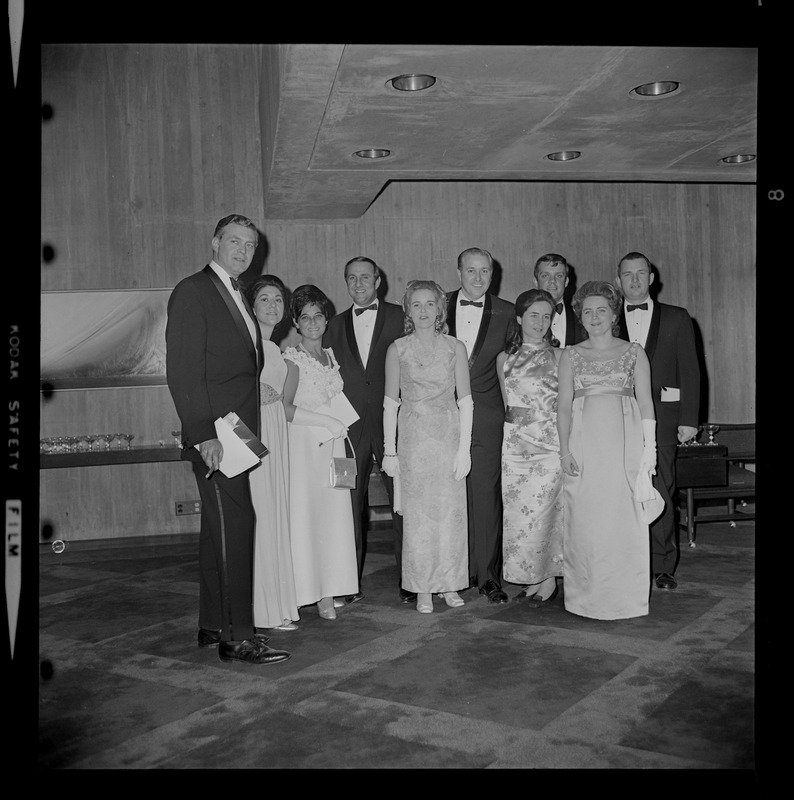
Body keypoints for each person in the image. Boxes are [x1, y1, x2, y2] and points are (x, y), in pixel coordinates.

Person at [165, 214, 290, 665]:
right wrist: (203, 435)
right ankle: (237, 638)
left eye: (249, 245)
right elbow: (182, 370)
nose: (242, 250)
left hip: (235, 433)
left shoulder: (237, 293)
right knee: (237, 526)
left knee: (217, 531)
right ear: (215, 241)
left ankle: (212, 623)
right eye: (233, 241)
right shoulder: (193, 291)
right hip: (216, 437)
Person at [557, 281, 657, 620]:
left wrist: (650, 450)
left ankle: (625, 598)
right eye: (587, 311)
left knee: (623, 518)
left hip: (624, 446)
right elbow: (564, 408)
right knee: (586, 519)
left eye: (601, 310)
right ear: (580, 317)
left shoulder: (634, 352)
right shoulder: (570, 354)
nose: (594, 316)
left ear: (614, 314)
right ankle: (587, 598)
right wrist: (564, 451)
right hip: (584, 447)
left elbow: (645, 403)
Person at [323, 257, 412, 606]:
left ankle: (411, 578)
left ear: (378, 279)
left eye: (365, 277)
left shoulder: (400, 316)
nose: (358, 284)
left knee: (404, 502)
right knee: (345, 504)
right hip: (346, 431)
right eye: (351, 278)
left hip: (396, 426)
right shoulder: (332, 324)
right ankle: (345, 583)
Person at [382, 280, 473, 613]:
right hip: (413, 437)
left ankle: (449, 583)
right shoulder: (397, 349)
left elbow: (466, 399)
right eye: (416, 305)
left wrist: (464, 449)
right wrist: (389, 451)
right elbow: (390, 402)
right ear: (407, 310)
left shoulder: (455, 347)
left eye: (430, 304)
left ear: (440, 309)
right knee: (419, 518)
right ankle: (422, 588)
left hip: (448, 435)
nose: (423, 311)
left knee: (450, 514)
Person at [616, 252, 700, 591]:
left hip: (664, 419)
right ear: (619, 280)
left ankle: (663, 564)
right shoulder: (605, 318)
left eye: (641, 274)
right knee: (621, 491)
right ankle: (626, 560)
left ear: (652, 278)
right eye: (627, 275)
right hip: (617, 420)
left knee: (661, 488)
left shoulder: (678, 318)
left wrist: (690, 419)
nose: (634, 280)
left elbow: (691, 371)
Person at [283, 284, 359, 620]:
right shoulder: (292, 359)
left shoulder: (330, 356)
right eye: (305, 317)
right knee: (307, 519)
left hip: (334, 447)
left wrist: (334, 425)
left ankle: (328, 591)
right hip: (305, 451)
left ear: (326, 319)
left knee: (333, 519)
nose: (312, 322)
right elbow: (284, 409)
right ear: (296, 323)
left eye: (318, 315)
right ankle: (306, 592)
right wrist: (324, 421)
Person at [446, 248, 513, 604]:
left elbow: (514, 366)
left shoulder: (507, 312)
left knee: (486, 496)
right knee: (446, 497)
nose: (477, 277)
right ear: (458, 272)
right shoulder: (435, 305)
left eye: (484, 270)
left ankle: (488, 576)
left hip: (487, 417)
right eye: (470, 270)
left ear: (493, 273)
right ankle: (451, 573)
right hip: (441, 416)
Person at [497, 289, 564, 607]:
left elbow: (568, 405)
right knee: (521, 517)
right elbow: (506, 404)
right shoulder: (504, 359)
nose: (540, 322)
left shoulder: (561, 356)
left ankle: (549, 578)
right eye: (534, 315)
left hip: (549, 444)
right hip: (515, 446)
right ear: (520, 317)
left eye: (547, 316)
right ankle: (532, 575)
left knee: (547, 514)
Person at [244, 275, 300, 632]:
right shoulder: (245, 346)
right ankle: (262, 611)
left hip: (276, 435)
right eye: (264, 299)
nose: (272, 305)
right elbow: (233, 404)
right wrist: (251, 449)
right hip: (256, 439)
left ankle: (278, 606)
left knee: (275, 516)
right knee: (262, 518)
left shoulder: (276, 349)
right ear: (251, 306)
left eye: (278, 299)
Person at [533, 253, 586, 347]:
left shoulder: (583, 318)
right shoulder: (522, 318)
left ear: (566, 282)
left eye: (559, 276)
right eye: (545, 275)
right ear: (536, 282)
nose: (552, 281)